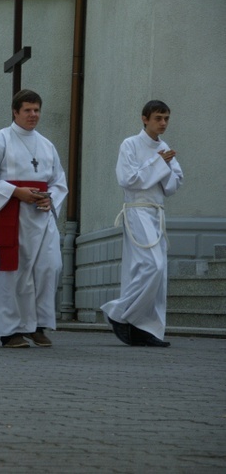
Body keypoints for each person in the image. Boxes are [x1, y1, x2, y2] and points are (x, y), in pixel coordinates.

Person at [0, 89, 68, 348]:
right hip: (10, 214)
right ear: (15, 112)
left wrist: (51, 199)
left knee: (49, 268)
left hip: (40, 216)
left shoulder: (47, 144)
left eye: (37, 110)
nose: (33, 115)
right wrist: (16, 192)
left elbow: (59, 181)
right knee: (12, 273)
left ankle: (37, 324)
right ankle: (11, 330)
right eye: (27, 110)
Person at [101, 100, 183, 348]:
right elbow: (128, 179)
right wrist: (159, 164)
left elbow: (174, 183)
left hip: (157, 212)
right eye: (158, 118)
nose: (163, 123)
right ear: (144, 119)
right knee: (152, 266)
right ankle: (119, 312)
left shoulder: (164, 147)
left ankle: (145, 328)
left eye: (167, 118)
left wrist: (164, 166)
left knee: (157, 274)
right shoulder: (130, 144)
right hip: (137, 210)